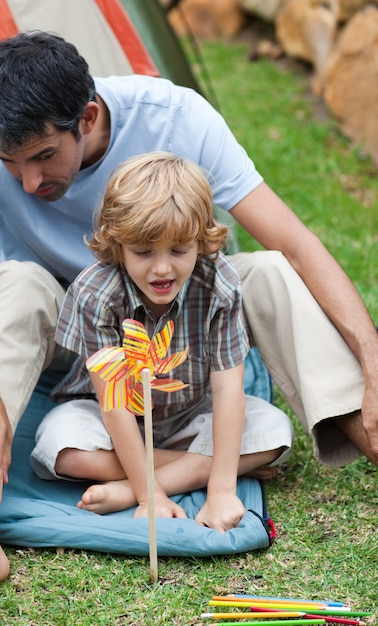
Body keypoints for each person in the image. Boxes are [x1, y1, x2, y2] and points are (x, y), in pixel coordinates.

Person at [0, 30, 375, 612]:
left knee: (268, 270)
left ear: (86, 116)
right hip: (67, 327)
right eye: (8, 164)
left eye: (42, 157)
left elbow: (297, 244)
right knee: (13, 280)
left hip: (182, 327)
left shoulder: (178, 118)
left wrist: (372, 356)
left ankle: (368, 425)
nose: (28, 183)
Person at [30, 151, 294, 528]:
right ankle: (192, 468)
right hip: (113, 417)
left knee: (274, 433)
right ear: (118, 245)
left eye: (179, 250)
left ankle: (126, 485)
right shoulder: (96, 293)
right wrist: (148, 497)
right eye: (142, 251)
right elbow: (114, 405)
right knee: (64, 451)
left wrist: (222, 491)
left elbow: (228, 391)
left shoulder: (220, 285)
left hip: (191, 411)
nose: (162, 268)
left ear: (201, 242)